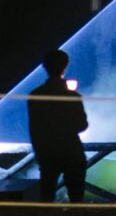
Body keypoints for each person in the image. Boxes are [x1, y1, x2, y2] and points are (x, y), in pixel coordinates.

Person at [30, 48, 91, 202]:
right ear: (65, 66)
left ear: (45, 67)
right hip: (72, 151)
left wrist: (40, 154)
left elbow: (35, 129)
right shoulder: (73, 96)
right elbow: (82, 125)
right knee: (77, 198)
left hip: (48, 153)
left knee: (46, 198)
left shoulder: (36, 95)